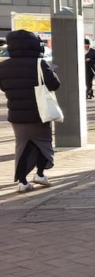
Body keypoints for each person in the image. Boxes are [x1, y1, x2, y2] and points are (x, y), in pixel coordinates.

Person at [0, 30, 60, 193]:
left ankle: (22, 181)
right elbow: (54, 85)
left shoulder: (3, 66)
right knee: (43, 143)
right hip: (40, 112)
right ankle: (39, 174)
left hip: (16, 114)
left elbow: (3, 87)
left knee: (22, 146)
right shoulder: (40, 63)